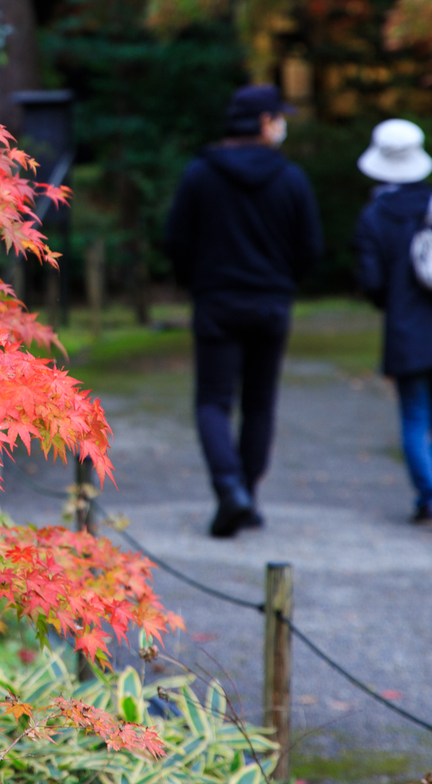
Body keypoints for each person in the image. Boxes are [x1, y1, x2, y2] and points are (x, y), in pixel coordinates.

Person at [165, 84, 324, 538]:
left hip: (216, 301)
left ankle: (229, 488)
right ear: (263, 122)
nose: (281, 124)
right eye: (278, 117)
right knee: (259, 404)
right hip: (271, 304)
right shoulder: (291, 178)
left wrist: (198, 280)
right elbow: (311, 247)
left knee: (213, 401)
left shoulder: (200, 174)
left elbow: (176, 240)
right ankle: (246, 497)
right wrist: (283, 280)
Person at [353, 118, 432, 525]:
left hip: (406, 329)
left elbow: (371, 282)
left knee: (413, 414)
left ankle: (427, 497)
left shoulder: (374, 217)